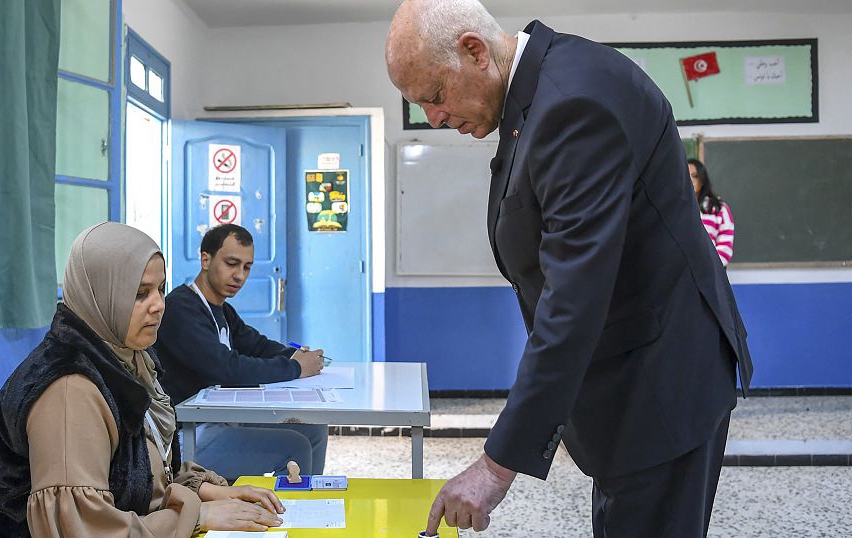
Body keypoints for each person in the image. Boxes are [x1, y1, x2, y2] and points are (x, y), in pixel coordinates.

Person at [385, 1, 753, 537]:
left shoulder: (573, 104)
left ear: (474, 50)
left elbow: (573, 298)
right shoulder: (536, 99)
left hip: (660, 388)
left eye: (435, 97)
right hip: (628, 380)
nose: (434, 118)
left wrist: (495, 467)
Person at [0, 222, 285, 537]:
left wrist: (204, 490)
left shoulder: (128, 359)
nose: (159, 305)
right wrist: (197, 515)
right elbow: (84, 530)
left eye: (160, 289)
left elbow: (138, 469)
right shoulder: (68, 388)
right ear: (99, 295)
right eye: (139, 293)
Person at [155, 223, 329, 480]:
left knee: (313, 427)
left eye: (246, 267)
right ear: (205, 259)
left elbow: (256, 346)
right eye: (231, 263)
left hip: (222, 417)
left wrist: (297, 355)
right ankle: (292, 517)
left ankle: (309, 503)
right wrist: (296, 368)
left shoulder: (222, 310)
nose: (240, 275)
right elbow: (227, 368)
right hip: (187, 433)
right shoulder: (181, 309)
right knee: (294, 446)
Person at [689, 158, 736, 267]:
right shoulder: (674, 207)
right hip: (680, 274)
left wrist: (711, 266)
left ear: (702, 180)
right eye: (686, 175)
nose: (690, 180)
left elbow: (725, 244)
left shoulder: (719, 208)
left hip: (710, 271)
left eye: (695, 176)